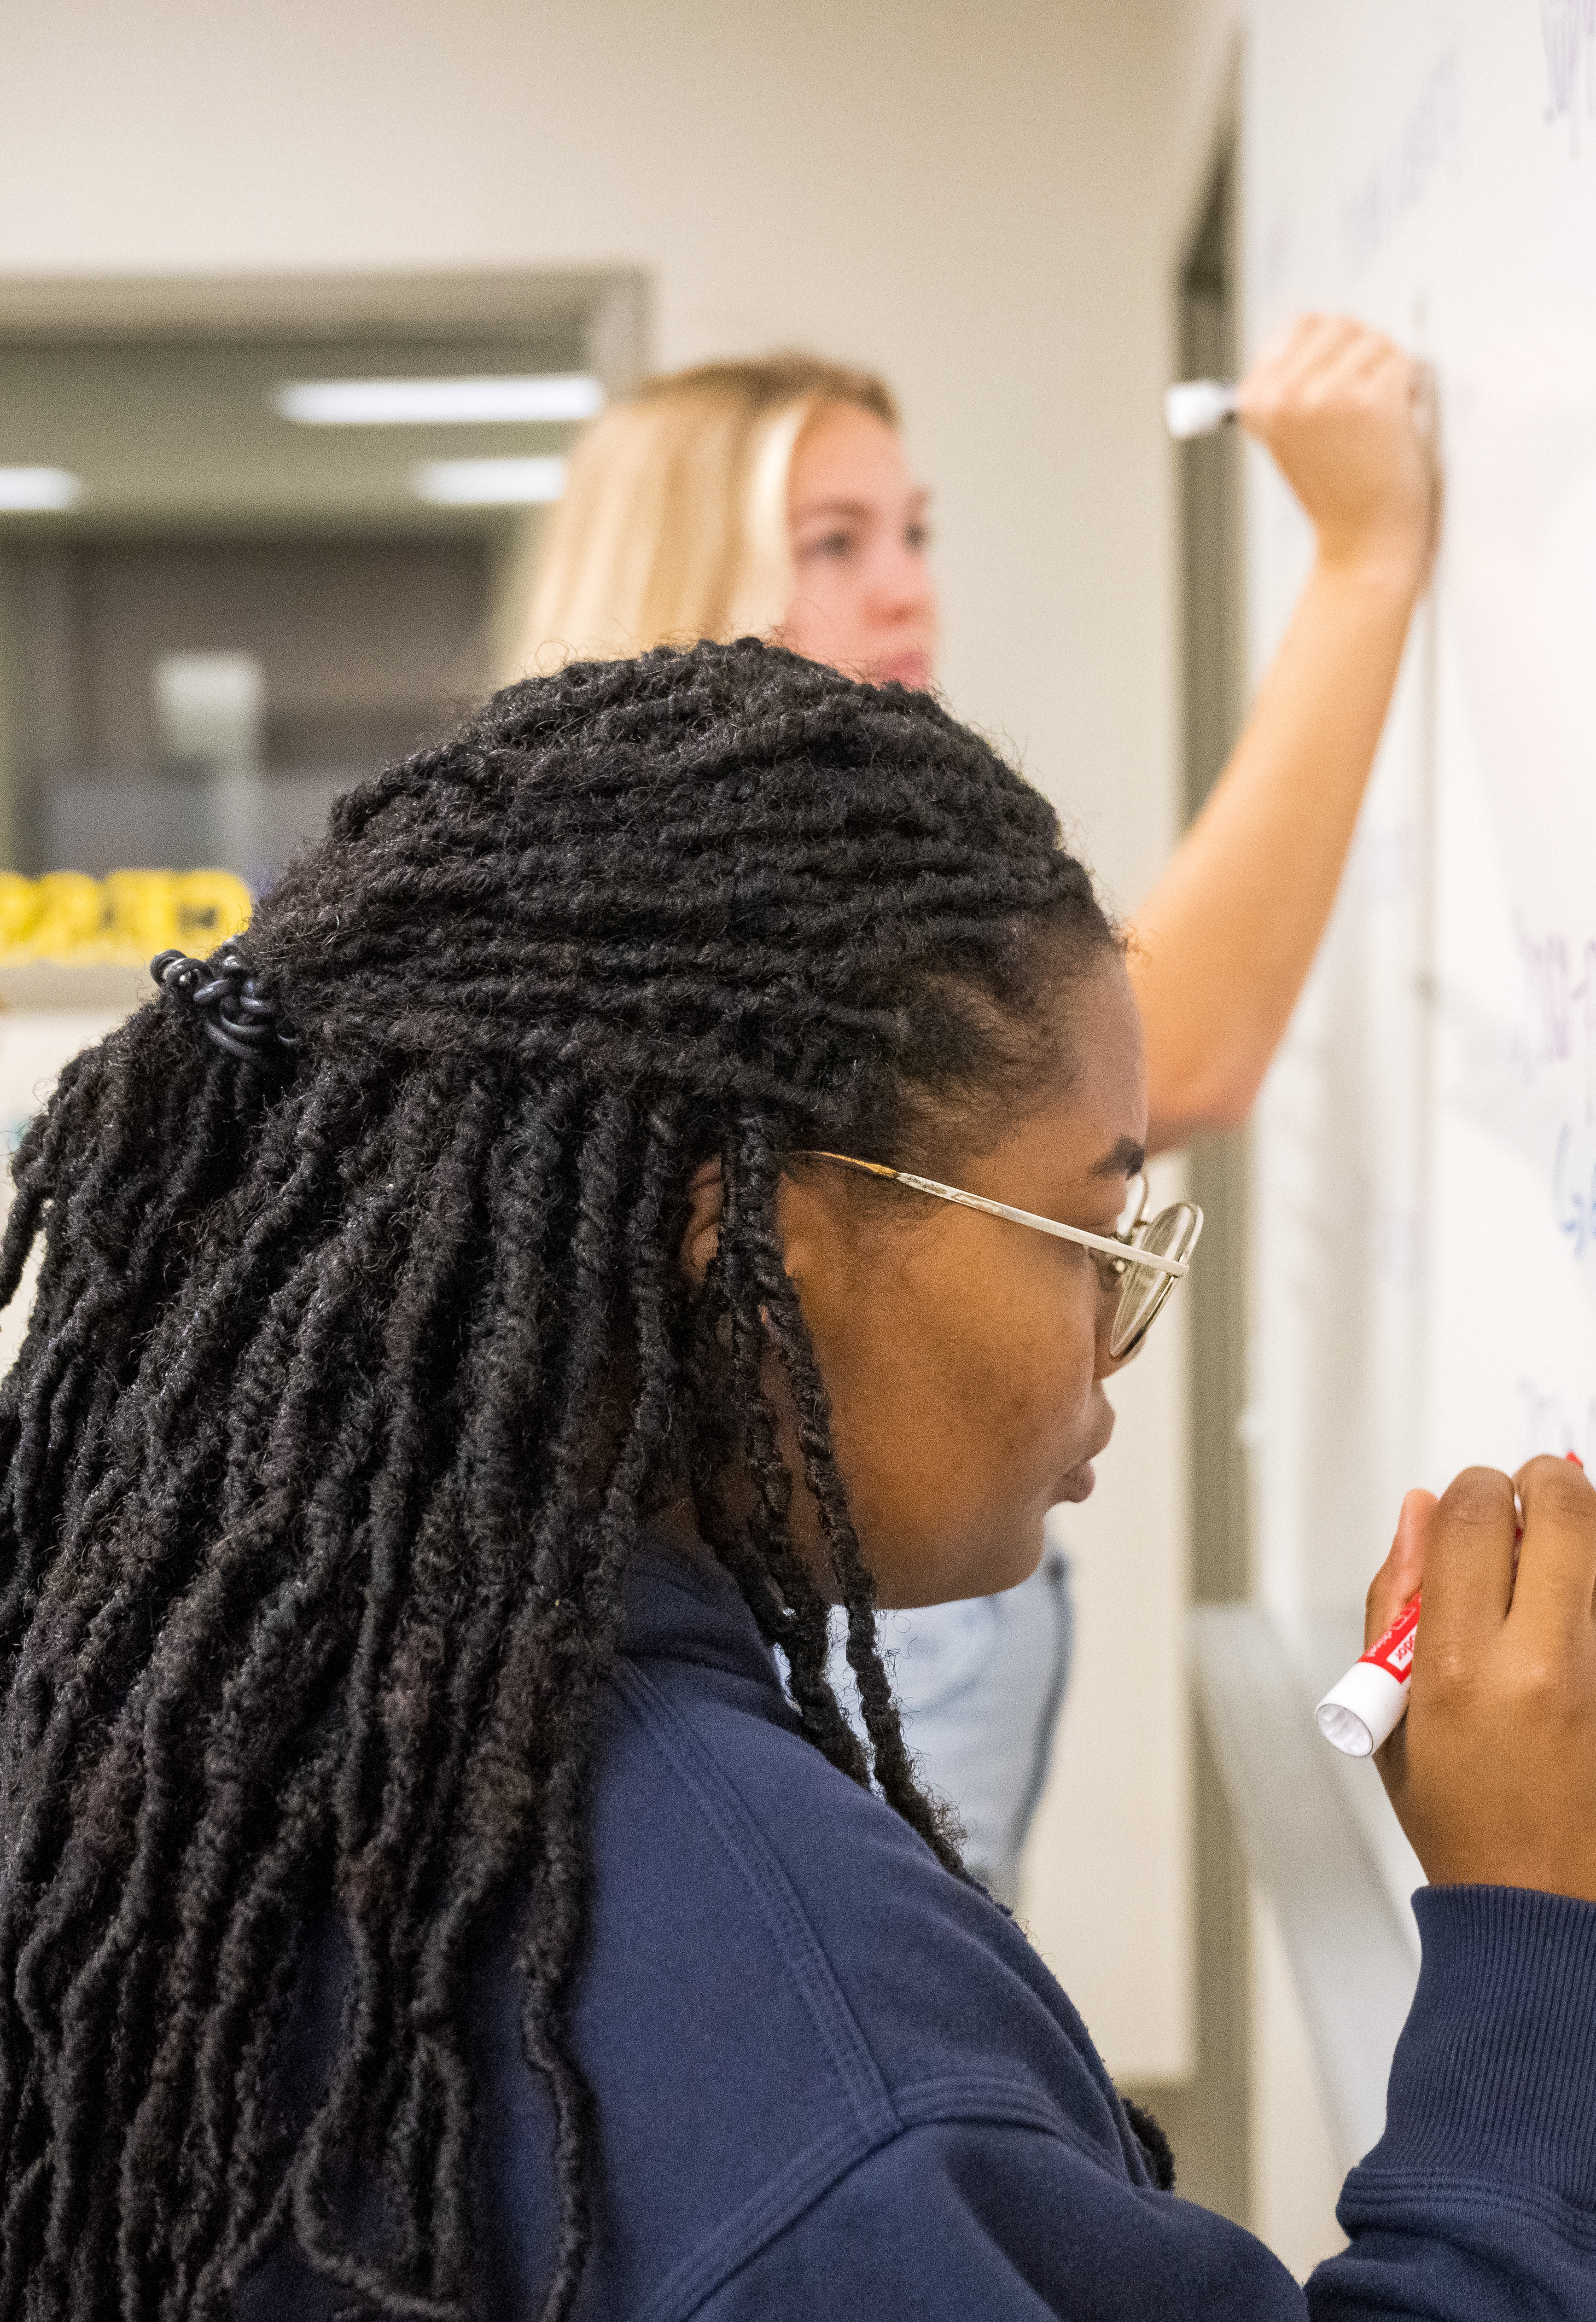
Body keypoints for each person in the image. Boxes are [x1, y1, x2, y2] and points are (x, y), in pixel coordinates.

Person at [0, 642, 1596, 2322]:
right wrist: (1546, 1950)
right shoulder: (803, 2045)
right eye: (1088, 1225)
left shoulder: (212, 1721)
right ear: (735, 1238)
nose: (1113, 1335)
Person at [520, 322, 1434, 1887]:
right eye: (833, 543)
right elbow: (1179, 1053)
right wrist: (1363, 557)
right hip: (840, 1617)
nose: (904, 587)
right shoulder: (687, 898)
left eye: (914, 532)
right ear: (680, 576)